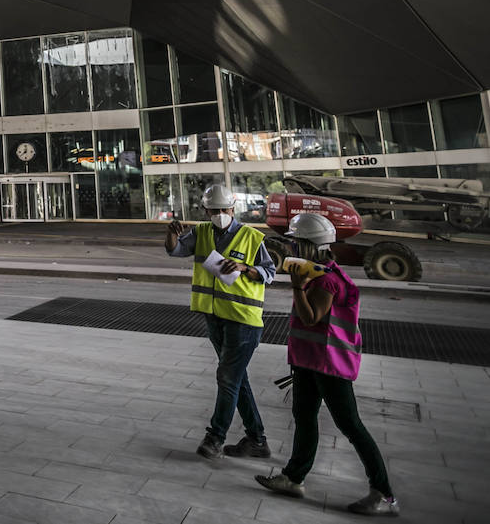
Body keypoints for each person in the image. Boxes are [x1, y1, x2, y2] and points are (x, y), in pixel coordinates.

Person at [256, 213, 400, 516]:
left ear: (312, 246)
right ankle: (293, 478)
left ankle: (384, 493)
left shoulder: (328, 280)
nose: (293, 249)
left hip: (329, 365)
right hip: (309, 362)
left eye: (296, 243)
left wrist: (297, 286)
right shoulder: (318, 274)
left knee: (350, 425)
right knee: (304, 416)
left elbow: (311, 318)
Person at [166, 183, 276, 459]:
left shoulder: (252, 237)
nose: (219, 214)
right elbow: (175, 250)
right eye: (213, 210)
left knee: (227, 378)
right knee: (236, 380)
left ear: (232, 208)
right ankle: (257, 440)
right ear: (205, 211)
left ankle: (215, 437)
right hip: (214, 317)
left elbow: (269, 272)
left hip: (243, 320)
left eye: (223, 209)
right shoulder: (201, 233)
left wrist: (244, 268)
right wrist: (171, 236)